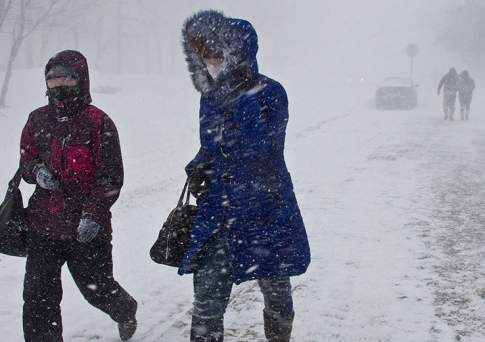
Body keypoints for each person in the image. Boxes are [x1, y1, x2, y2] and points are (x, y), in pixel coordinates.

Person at [180, 10, 311, 342]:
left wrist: (239, 94)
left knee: (277, 293)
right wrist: (200, 164)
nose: (212, 62)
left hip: (266, 207)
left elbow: (264, 147)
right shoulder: (208, 97)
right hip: (220, 211)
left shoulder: (272, 92)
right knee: (207, 301)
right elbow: (213, 145)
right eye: (207, 55)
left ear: (238, 54)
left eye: (219, 54)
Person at [19, 50, 137, 342]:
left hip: (86, 229)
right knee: (38, 300)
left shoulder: (98, 122)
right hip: (43, 225)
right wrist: (35, 171)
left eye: (66, 77)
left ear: (80, 79)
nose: (58, 84)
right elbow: (26, 160)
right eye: (52, 78)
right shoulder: (37, 119)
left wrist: (93, 215)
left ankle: (124, 309)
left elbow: (110, 176)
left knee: (96, 289)